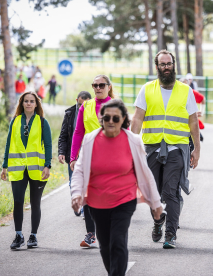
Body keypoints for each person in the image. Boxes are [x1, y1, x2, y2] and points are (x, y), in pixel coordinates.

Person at [70, 99, 163, 276]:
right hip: (97, 203)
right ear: (101, 120)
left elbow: (145, 173)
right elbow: (80, 170)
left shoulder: (133, 141)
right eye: (107, 118)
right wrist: (76, 194)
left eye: (115, 118)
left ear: (123, 120)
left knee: (118, 242)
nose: (110, 122)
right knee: (105, 247)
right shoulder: (90, 140)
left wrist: (156, 203)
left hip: (124, 200)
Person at [131, 49, 201, 249]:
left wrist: (197, 149)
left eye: (169, 63)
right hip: (152, 148)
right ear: (157, 67)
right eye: (162, 64)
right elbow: (137, 119)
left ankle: (170, 234)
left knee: (171, 191)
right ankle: (158, 220)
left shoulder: (185, 91)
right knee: (153, 193)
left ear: (174, 65)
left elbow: (193, 121)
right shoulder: (147, 89)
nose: (166, 67)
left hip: (176, 148)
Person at [0, 91, 52, 250]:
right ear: (21, 103)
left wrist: (47, 165)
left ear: (36, 104)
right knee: (17, 202)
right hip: (17, 168)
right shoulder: (14, 121)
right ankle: (18, 235)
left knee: (35, 203)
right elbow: (9, 143)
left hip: (37, 169)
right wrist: (4, 166)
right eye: (26, 101)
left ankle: (33, 236)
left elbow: (48, 145)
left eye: (32, 101)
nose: (29, 103)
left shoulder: (43, 122)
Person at [70, 74, 115, 248]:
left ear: (108, 87)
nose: (97, 88)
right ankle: (90, 233)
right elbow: (78, 132)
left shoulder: (115, 106)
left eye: (101, 85)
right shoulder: (86, 106)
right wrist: (73, 157)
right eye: (94, 85)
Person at [58, 91, 92, 186]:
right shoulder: (69, 114)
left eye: (85, 105)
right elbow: (63, 135)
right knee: (73, 183)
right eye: (80, 104)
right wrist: (61, 152)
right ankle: (76, 200)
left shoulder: (95, 112)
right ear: (76, 100)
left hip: (89, 155)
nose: (82, 107)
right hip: (74, 155)